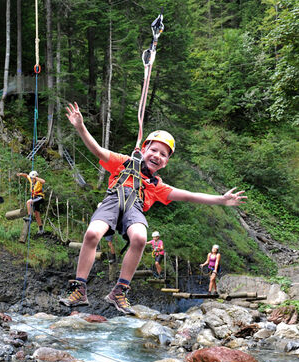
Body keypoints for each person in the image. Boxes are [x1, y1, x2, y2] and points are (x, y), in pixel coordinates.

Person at [59, 102, 246, 314]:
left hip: (134, 209)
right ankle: (79, 288)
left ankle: (119, 291)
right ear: (144, 150)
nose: (157, 155)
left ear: (166, 163)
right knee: (92, 234)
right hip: (112, 202)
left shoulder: (158, 186)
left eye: (163, 154)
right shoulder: (124, 163)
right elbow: (98, 151)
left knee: (139, 238)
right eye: (154, 150)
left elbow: (190, 195)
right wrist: (80, 127)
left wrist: (221, 200)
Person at [16, 171, 45, 235]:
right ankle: (41, 229)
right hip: (35, 198)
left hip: (39, 197)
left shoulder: (38, 181)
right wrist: (21, 174)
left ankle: (29, 217)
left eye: (32, 179)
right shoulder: (31, 180)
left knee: (28, 202)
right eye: (31, 178)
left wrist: (36, 177)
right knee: (37, 214)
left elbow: (43, 181)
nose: (31, 180)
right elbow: (26, 176)